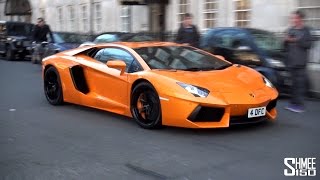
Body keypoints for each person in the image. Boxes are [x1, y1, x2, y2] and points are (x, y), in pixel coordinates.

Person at [284, 10, 312, 113]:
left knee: (299, 85)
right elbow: (286, 46)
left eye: (295, 18)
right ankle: (293, 104)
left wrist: (296, 40)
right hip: (291, 62)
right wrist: (286, 41)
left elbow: (308, 45)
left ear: (300, 19)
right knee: (293, 85)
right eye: (292, 18)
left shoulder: (306, 31)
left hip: (300, 63)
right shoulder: (290, 29)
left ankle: (300, 106)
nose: (293, 20)